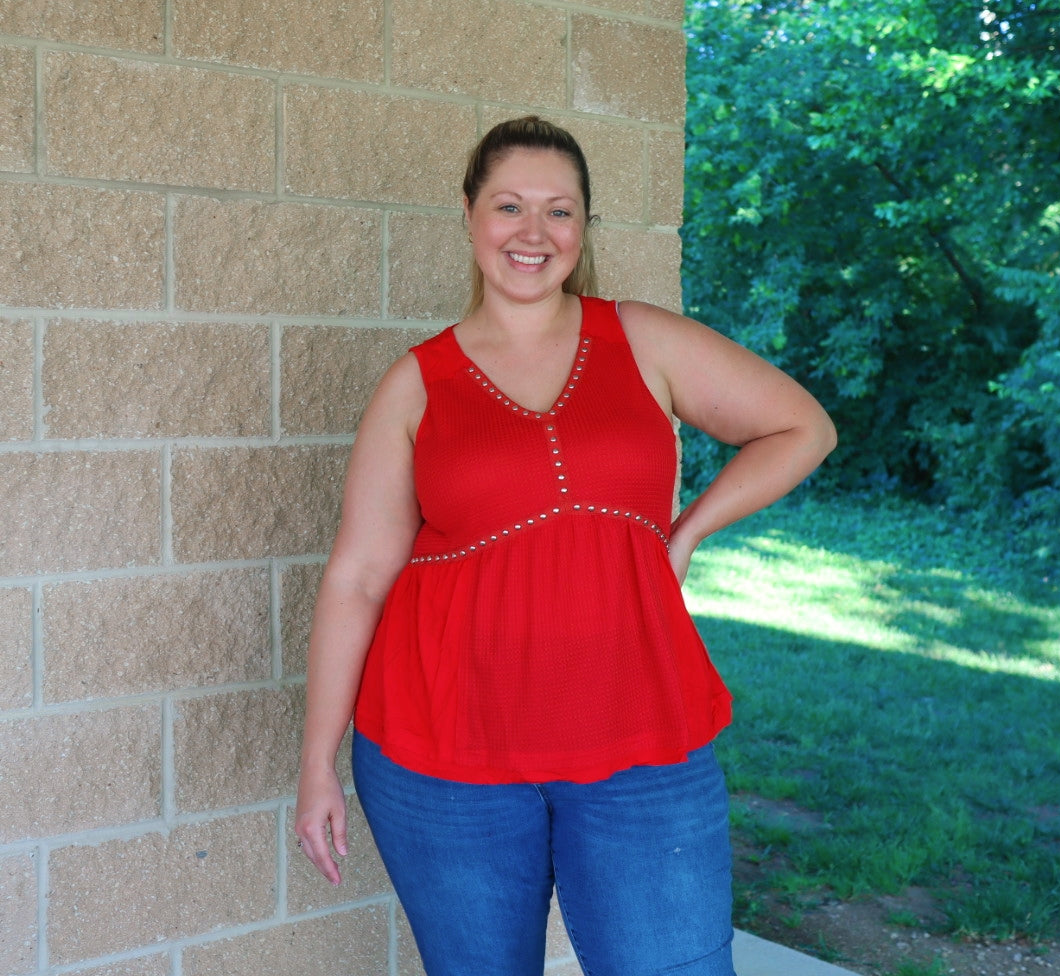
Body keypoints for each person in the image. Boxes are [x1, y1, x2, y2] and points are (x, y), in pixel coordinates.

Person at [294, 115, 837, 976]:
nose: (533, 233)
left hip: (640, 732)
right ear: (470, 213)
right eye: (510, 205)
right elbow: (358, 578)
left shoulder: (644, 340)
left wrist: (685, 532)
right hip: (445, 746)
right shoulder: (415, 382)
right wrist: (317, 761)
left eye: (560, 211)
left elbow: (800, 425)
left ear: (584, 227)